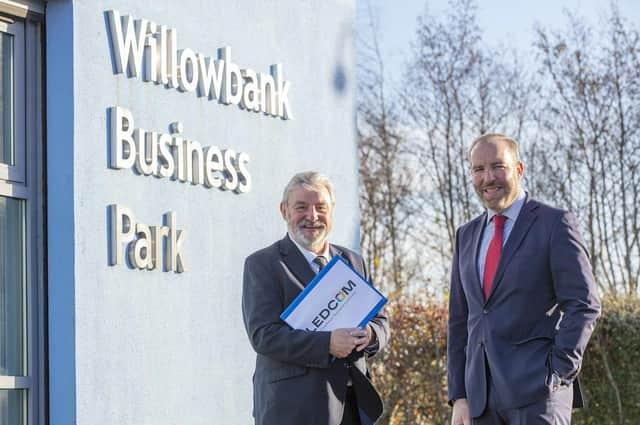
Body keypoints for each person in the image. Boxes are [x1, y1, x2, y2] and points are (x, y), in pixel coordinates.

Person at [447, 134, 601, 425]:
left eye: (497, 166)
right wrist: (459, 396)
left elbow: (584, 304)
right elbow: (459, 320)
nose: (488, 178)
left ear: (519, 169)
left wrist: (559, 371)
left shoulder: (554, 223)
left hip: (539, 397)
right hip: (480, 404)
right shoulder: (465, 235)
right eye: (478, 170)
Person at [242, 171, 389, 425]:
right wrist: (327, 344)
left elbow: (380, 319)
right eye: (301, 207)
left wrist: (372, 334)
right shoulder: (263, 264)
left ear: (331, 211)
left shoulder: (353, 261)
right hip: (292, 410)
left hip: (353, 407)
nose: (312, 216)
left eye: (321, 207)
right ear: (284, 210)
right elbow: (264, 335)